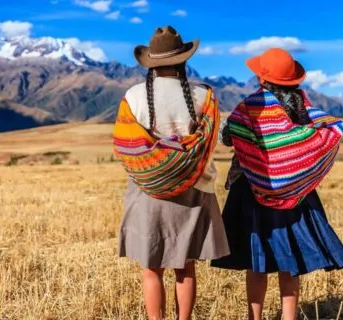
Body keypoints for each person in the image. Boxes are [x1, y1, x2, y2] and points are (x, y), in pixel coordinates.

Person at [211, 48, 343, 320]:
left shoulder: (250, 105)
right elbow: (327, 130)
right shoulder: (304, 107)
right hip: (296, 194)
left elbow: (229, 136)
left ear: (262, 78)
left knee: (258, 261)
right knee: (290, 261)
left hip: (251, 190)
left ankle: (255, 317)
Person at [113, 26, 230, 320]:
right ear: (183, 60)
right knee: (185, 266)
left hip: (147, 190)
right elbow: (211, 141)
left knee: (151, 269)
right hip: (193, 192)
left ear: (151, 62)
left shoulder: (133, 96)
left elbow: (125, 145)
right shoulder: (204, 96)